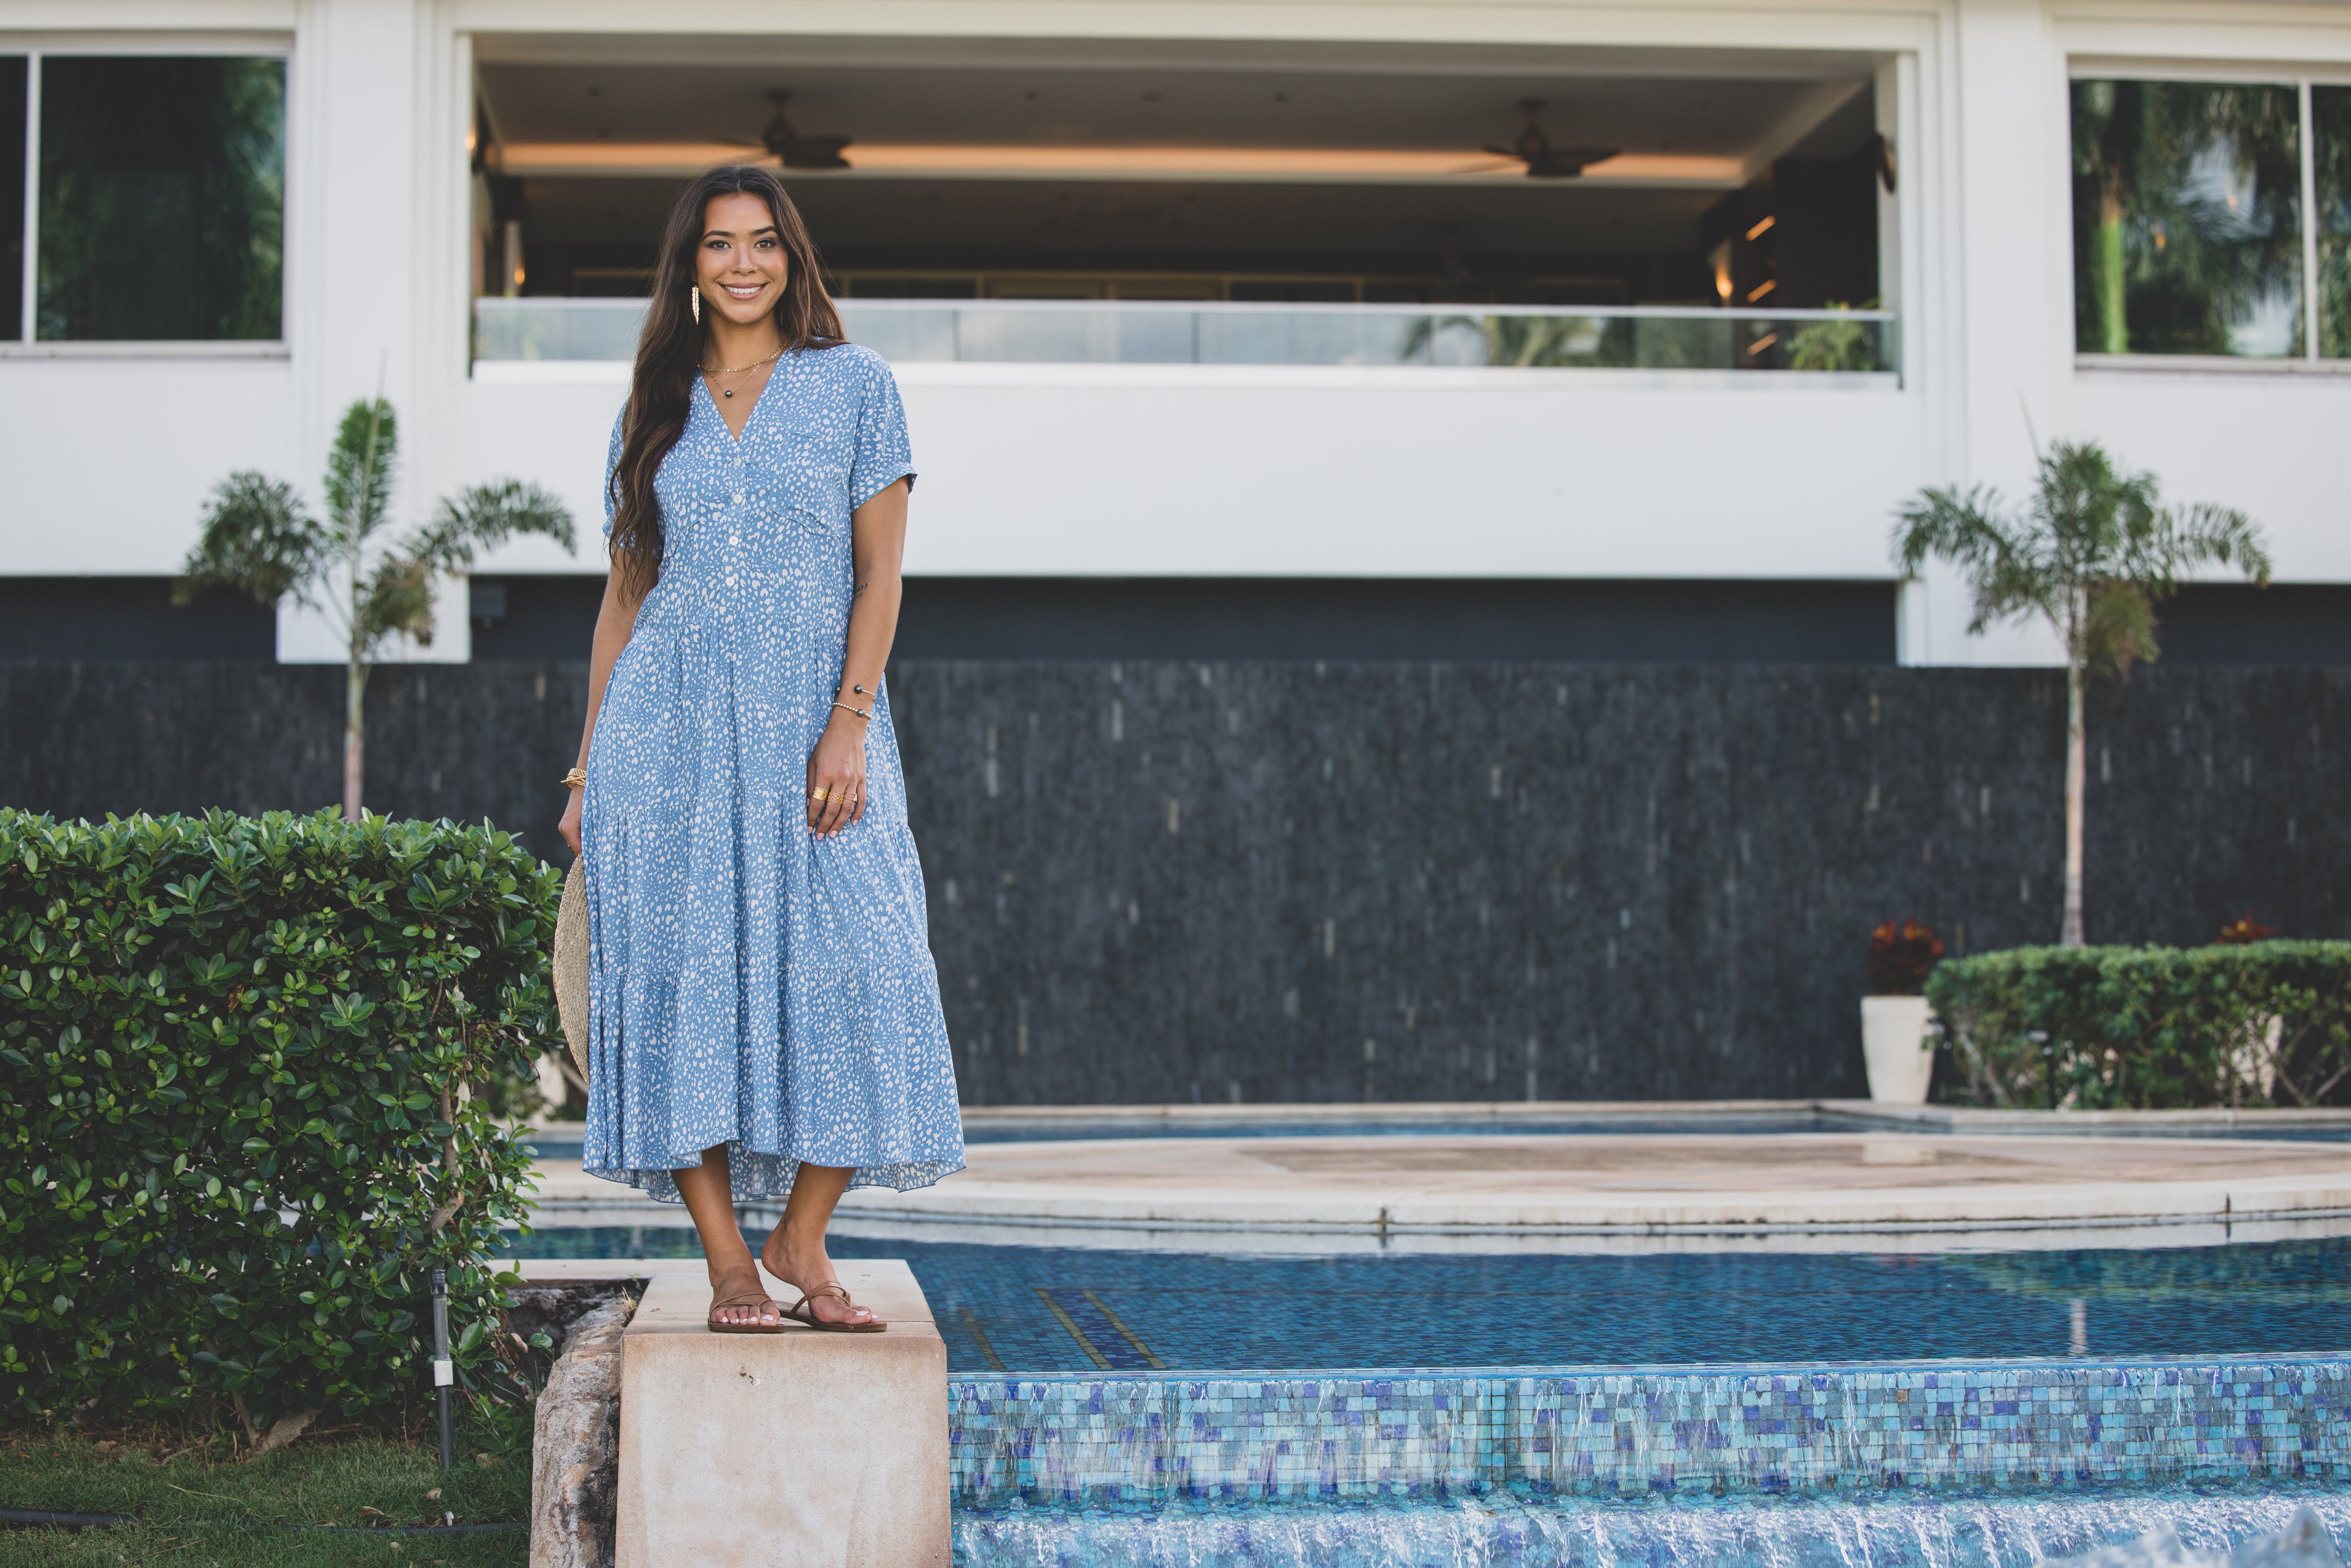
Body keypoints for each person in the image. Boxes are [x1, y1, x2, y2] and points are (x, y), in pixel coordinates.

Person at [555, 165, 964, 1334]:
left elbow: (880, 576)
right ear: (688, 265)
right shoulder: (653, 406)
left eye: (764, 241)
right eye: (719, 243)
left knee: (874, 963)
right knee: (677, 983)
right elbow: (623, 603)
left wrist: (849, 721)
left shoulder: (854, 385)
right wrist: (586, 771)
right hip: (665, 739)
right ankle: (731, 1259)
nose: (743, 263)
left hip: (814, 730)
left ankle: (802, 1235)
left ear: (793, 257)